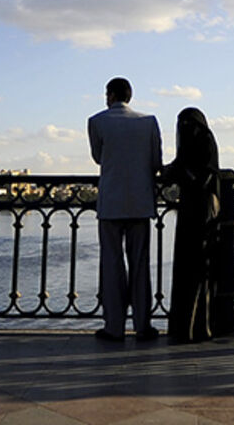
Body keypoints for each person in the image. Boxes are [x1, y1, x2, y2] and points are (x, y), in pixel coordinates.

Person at [88, 77, 162, 342]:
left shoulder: (96, 122)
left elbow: (99, 157)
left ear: (110, 95)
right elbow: (155, 161)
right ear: (130, 96)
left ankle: (114, 327)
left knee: (111, 264)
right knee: (140, 264)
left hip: (110, 203)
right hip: (141, 203)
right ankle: (143, 326)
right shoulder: (149, 121)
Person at [164, 107, 222, 343]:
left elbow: (187, 173)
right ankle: (202, 327)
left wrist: (172, 171)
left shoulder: (193, 143)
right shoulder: (206, 141)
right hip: (207, 211)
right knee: (202, 271)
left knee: (190, 271)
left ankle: (185, 328)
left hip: (194, 211)